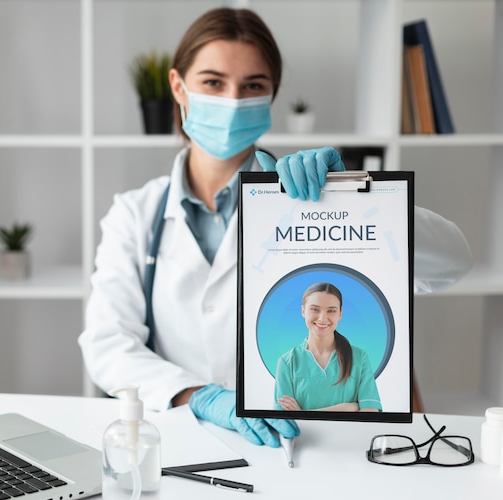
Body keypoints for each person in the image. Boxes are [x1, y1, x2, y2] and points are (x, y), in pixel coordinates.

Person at [79, 8, 472, 448]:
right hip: (185, 437)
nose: (232, 100)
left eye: (252, 86)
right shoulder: (136, 214)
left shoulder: (311, 201)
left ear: (271, 96)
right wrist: (200, 396)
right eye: (213, 82)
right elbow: (108, 343)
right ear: (178, 87)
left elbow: (453, 263)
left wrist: (356, 203)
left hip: (306, 442)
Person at [274, 282, 382, 413]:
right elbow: (284, 421)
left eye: (331, 310)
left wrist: (302, 414)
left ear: (340, 314)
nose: (322, 318)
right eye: (315, 309)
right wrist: (347, 408)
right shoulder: (287, 363)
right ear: (303, 311)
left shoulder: (359, 358)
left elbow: (370, 412)